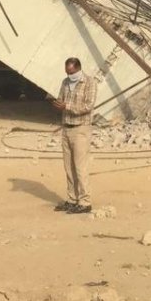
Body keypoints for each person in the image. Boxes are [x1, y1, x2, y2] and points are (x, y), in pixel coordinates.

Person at [51, 56, 98, 214]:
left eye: (71, 72)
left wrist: (67, 106)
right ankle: (72, 199)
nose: (69, 75)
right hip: (67, 127)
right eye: (67, 72)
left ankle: (85, 202)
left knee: (80, 167)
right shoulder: (65, 82)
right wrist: (57, 104)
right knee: (68, 167)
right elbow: (61, 99)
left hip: (80, 129)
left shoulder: (90, 82)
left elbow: (88, 106)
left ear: (78, 69)